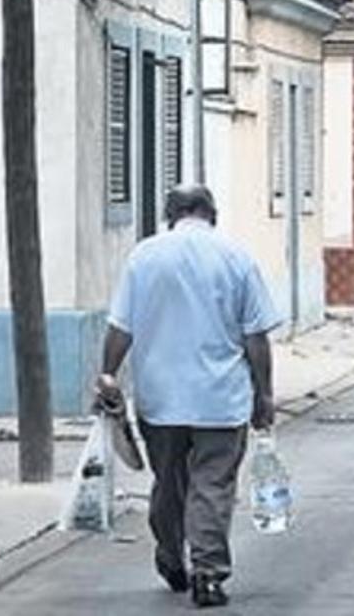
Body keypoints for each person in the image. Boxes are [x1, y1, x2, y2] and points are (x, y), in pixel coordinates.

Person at [96, 184, 282, 609]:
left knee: (170, 483)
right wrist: (264, 395)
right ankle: (208, 573)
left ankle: (169, 554)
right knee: (212, 485)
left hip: (160, 400)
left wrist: (107, 374)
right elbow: (256, 338)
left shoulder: (145, 256)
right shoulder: (237, 258)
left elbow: (120, 327)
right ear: (211, 213)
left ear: (170, 213)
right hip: (221, 399)